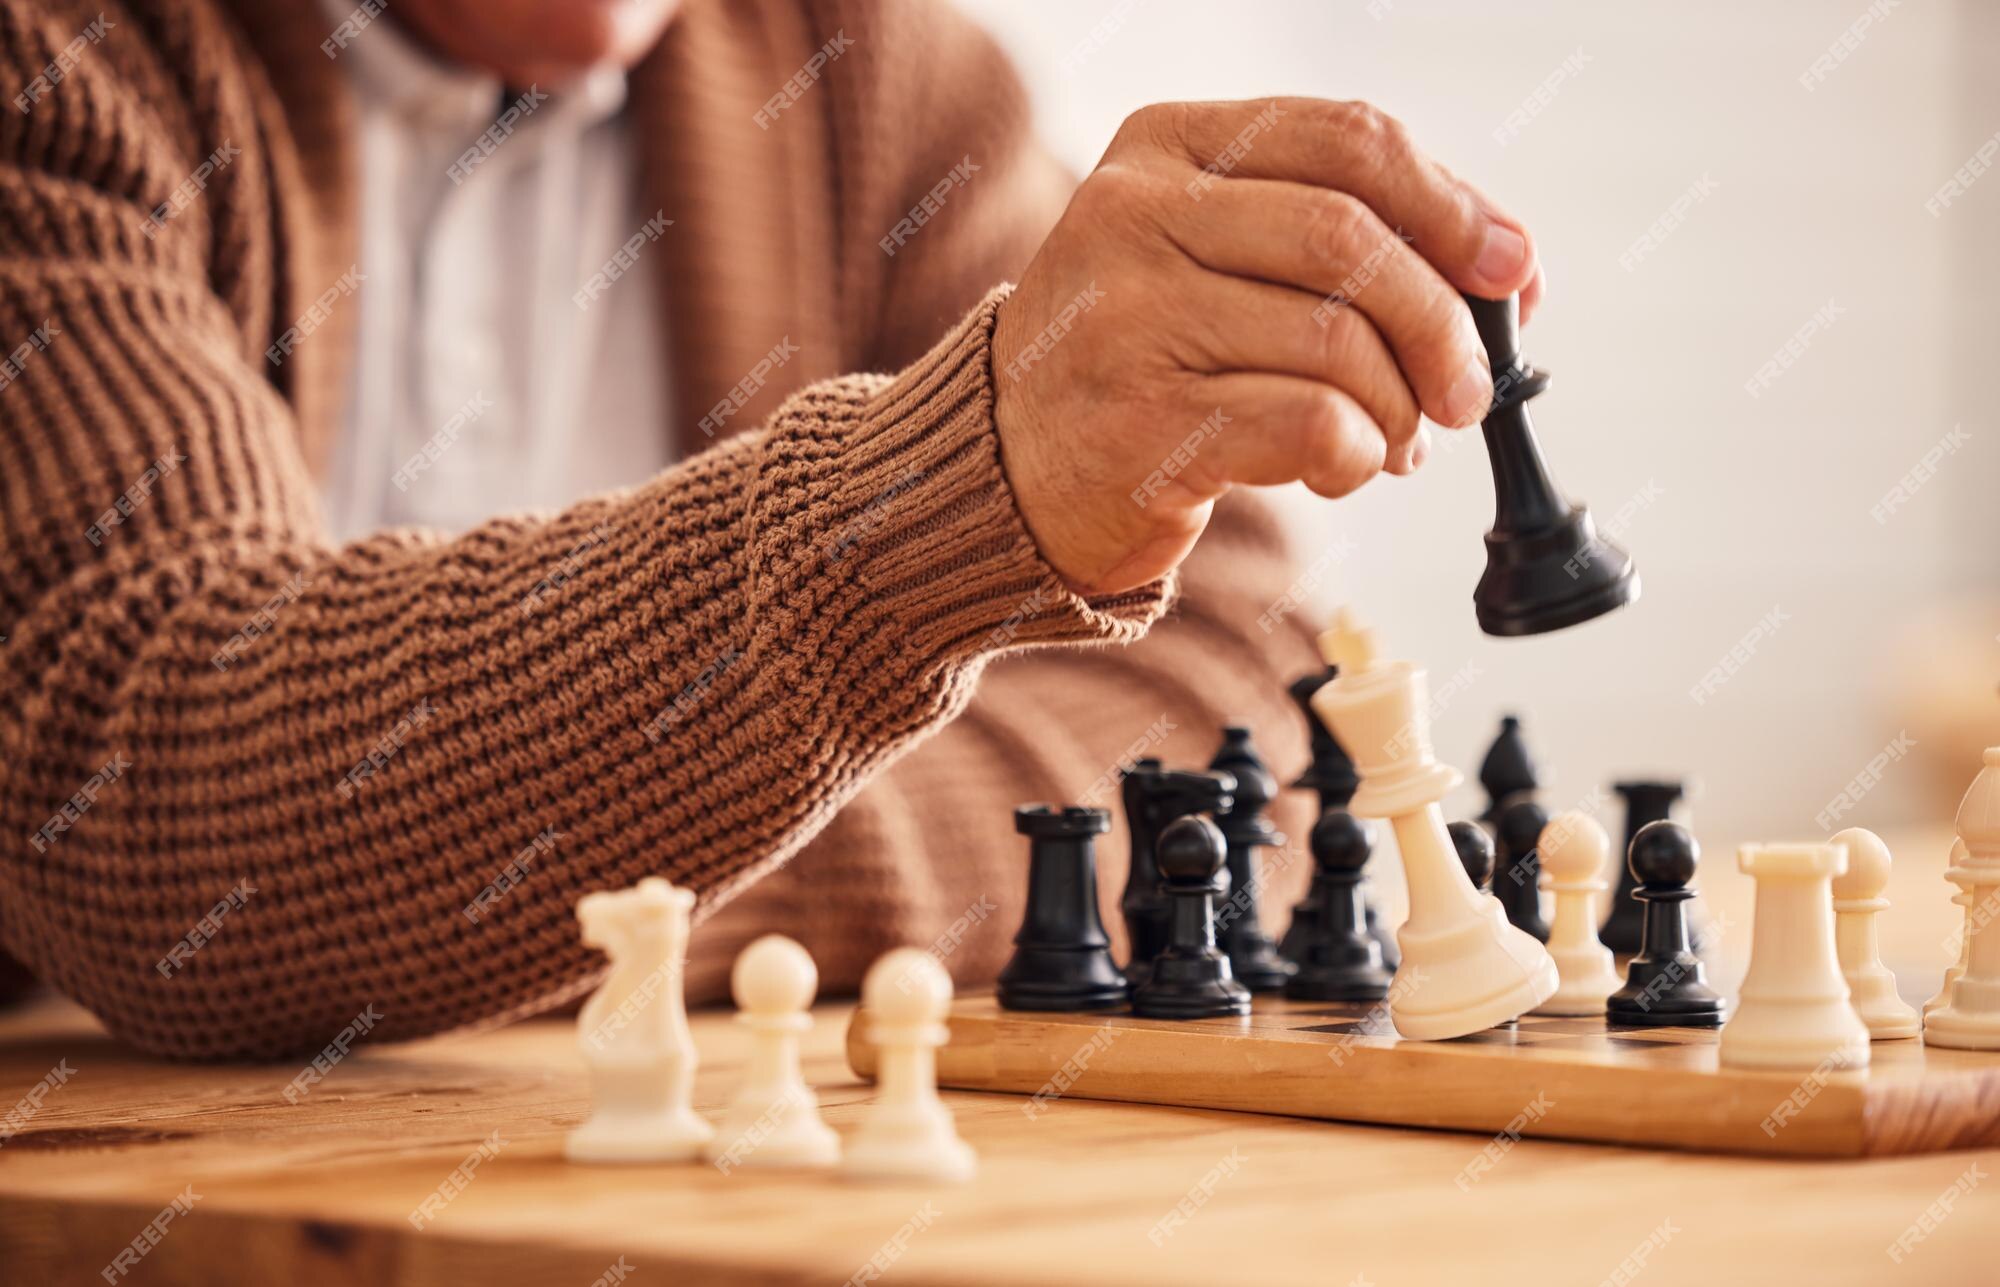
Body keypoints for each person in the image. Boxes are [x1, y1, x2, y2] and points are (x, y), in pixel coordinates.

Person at [0, 0, 1542, 1058]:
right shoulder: (53, 57)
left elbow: (1228, 723)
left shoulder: (868, 71)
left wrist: (551, 896)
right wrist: (963, 491)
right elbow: (144, 792)